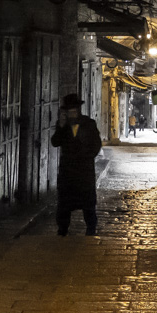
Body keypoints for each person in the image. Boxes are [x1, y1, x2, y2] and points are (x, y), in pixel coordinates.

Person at [51, 93, 103, 236]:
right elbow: (55, 142)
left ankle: (91, 229)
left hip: (84, 171)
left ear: (78, 110)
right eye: (69, 112)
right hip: (67, 172)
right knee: (64, 203)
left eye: (74, 111)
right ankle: (62, 230)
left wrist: (86, 157)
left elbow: (96, 144)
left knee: (88, 203)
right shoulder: (63, 125)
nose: (72, 114)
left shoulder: (89, 124)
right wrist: (61, 127)